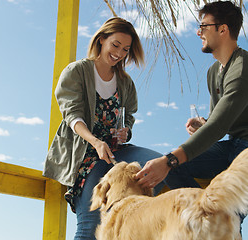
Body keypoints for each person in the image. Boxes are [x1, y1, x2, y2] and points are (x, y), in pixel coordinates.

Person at [135, 0, 248, 232]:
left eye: (204, 26)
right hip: (235, 145)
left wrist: (169, 158)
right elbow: (216, 120)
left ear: (223, 29)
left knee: (226, 215)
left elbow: (218, 127)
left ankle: (214, 220)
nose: (198, 32)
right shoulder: (214, 71)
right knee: (178, 170)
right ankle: (204, 216)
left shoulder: (243, 70)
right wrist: (203, 124)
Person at [43, 17, 162, 240]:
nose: (119, 53)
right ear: (101, 40)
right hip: (86, 156)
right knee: (90, 225)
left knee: (158, 165)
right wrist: (96, 142)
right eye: (115, 45)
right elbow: (72, 115)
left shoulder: (125, 82)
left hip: (117, 151)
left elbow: (129, 116)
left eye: (125, 49)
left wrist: (126, 130)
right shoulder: (77, 71)